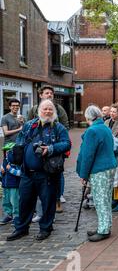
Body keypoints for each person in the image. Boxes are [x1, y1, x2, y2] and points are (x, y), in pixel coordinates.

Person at [6, 99, 71, 241]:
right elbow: (20, 142)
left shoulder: (58, 127)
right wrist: (15, 154)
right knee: (24, 202)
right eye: (44, 109)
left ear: (53, 111)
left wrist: (51, 149)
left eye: (50, 109)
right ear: (38, 111)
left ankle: (45, 228)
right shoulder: (29, 125)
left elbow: (67, 144)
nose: (47, 111)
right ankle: (22, 228)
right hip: (27, 173)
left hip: (47, 174)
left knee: (47, 202)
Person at [76, 105, 117, 242]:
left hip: (99, 169)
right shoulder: (105, 127)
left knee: (100, 200)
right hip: (109, 166)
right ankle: (104, 225)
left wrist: (83, 174)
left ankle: (104, 229)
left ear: (88, 117)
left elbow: (88, 156)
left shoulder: (92, 131)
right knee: (105, 199)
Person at [27, 85, 70, 214]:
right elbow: (29, 127)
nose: (49, 95)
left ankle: (57, 199)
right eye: (47, 93)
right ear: (41, 95)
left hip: (55, 150)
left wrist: (56, 141)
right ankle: (40, 202)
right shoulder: (34, 109)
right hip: (37, 150)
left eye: (51, 93)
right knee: (39, 174)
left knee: (57, 172)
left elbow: (65, 126)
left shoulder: (59, 109)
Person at [0, 145, 21, 225]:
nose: (7, 154)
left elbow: (20, 173)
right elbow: (2, 172)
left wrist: (11, 169)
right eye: (6, 152)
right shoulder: (5, 161)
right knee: (6, 201)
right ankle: (8, 215)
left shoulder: (17, 162)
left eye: (9, 152)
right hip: (5, 185)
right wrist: (1, 172)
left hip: (14, 185)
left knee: (14, 201)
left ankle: (16, 216)